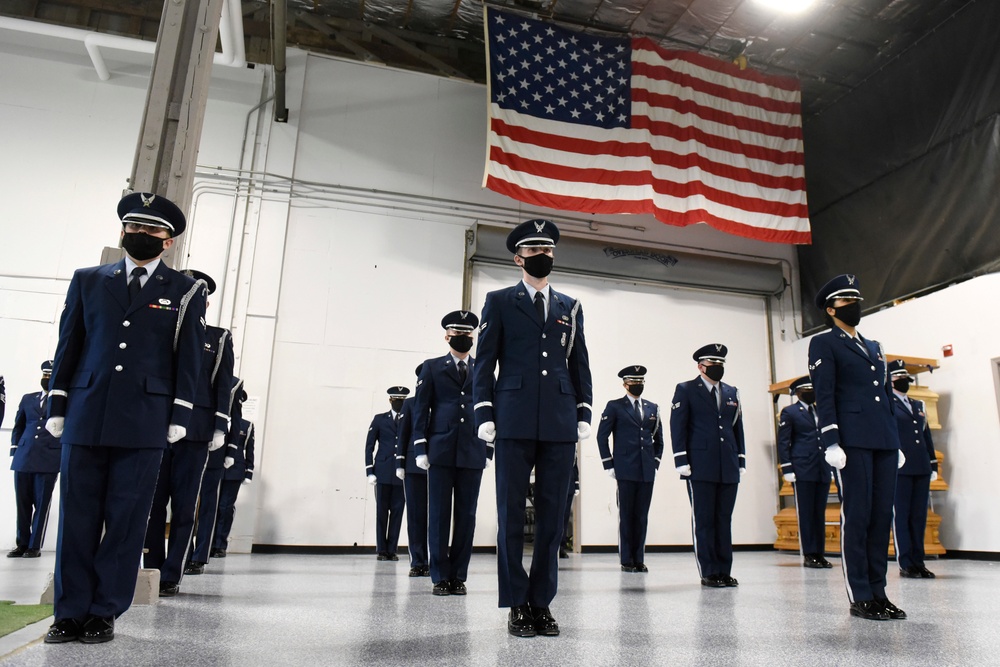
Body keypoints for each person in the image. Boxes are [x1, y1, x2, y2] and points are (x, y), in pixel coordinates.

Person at [43, 192, 207, 644]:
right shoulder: (88, 280)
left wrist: (181, 413)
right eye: (134, 228)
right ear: (122, 231)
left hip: (145, 418)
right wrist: (57, 402)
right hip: (86, 410)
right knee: (76, 515)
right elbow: (69, 345)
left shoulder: (185, 291)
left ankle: (103, 611)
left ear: (169, 242)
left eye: (153, 231)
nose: (141, 235)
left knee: (126, 518)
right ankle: (68, 611)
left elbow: (188, 360)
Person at [473, 218, 593, 638]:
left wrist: (584, 411)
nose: (542, 257)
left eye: (548, 251)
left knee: (553, 517)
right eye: (534, 251)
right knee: (510, 513)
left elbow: (580, 364)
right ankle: (516, 603)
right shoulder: (500, 301)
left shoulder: (570, 307)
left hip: (559, 421)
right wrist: (484, 412)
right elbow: (484, 362)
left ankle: (541, 602)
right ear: (518, 257)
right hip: (513, 416)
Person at [808, 274, 905, 621]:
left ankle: (879, 591)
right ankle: (860, 594)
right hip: (851, 441)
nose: (855, 306)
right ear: (832, 309)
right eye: (847, 302)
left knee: (881, 518)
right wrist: (831, 439)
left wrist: (895, 439)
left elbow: (885, 397)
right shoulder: (824, 344)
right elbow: (825, 394)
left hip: (882, 440)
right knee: (859, 515)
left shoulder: (874, 346)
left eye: (856, 300)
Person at [145, 269, 233, 596]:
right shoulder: (156, 327)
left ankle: (172, 574)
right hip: (154, 424)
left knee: (183, 506)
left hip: (195, 431)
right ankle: (151, 568)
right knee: (153, 504)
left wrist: (220, 425)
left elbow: (222, 385)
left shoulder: (218, 337)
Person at [412, 310, 490, 596]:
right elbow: (421, 410)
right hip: (441, 449)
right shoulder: (432, 368)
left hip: (473, 449)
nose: (463, 339)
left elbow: (491, 408)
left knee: (467, 516)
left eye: (468, 335)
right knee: (439, 515)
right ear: (447, 336)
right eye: (457, 334)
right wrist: (420, 447)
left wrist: (489, 447)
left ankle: (459, 575)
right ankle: (440, 576)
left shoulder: (482, 367)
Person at [670, 344, 745, 588]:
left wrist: (741, 458)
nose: (717, 368)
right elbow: (678, 425)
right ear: (700, 366)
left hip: (728, 464)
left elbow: (737, 427)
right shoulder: (686, 389)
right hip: (699, 465)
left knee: (724, 519)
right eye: (713, 364)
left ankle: (724, 570)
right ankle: (709, 571)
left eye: (721, 364)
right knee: (704, 519)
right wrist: (681, 459)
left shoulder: (732, 392)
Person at [597, 365, 664, 573]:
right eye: (633, 383)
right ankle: (627, 559)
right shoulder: (615, 406)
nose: (637, 386)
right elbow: (602, 437)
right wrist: (609, 463)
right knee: (626, 515)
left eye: (640, 383)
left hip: (646, 470)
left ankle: (639, 558)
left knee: (642, 515)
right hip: (625, 468)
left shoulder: (652, 407)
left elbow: (659, 439)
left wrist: (655, 463)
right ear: (625, 384)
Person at [186, 376, 242, 575]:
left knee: (209, 505)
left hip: (214, 452)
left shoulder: (233, 384)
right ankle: (184, 554)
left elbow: (236, 422)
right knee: (185, 503)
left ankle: (200, 556)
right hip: (189, 444)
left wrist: (231, 451)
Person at [888, 359, 938, 579]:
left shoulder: (917, 405)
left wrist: (932, 462)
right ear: (890, 381)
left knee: (918, 516)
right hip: (900, 467)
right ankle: (906, 562)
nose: (903, 382)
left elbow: (926, 436)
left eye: (905, 379)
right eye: (899, 379)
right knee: (902, 516)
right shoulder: (887, 404)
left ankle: (919, 561)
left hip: (920, 465)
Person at [777, 375, 833, 569]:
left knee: (819, 513)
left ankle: (820, 552)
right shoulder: (790, 412)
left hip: (822, 468)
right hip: (802, 468)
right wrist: (787, 468)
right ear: (798, 393)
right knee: (806, 513)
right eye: (807, 390)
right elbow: (784, 442)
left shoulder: (821, 410)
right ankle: (809, 553)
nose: (811, 393)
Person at [8, 360, 61, 558]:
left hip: (48, 457)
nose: (46, 379)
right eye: (44, 375)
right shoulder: (28, 398)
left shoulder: (63, 400)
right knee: (22, 503)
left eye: (50, 375)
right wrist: (15, 450)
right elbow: (18, 426)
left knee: (42, 504)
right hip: (24, 456)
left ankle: (34, 545)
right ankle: (21, 543)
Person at [365, 386, 408, 561]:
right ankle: (382, 550)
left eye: (402, 401)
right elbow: (369, 446)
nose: (399, 403)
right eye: (397, 400)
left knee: (398, 512)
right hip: (382, 471)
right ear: (390, 400)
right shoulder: (379, 419)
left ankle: (392, 549)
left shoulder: (409, 419)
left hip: (401, 473)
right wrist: (369, 471)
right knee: (382, 512)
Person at [395, 364, 430, 577]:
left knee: (437, 516)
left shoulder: (443, 401)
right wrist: (400, 463)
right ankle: (418, 561)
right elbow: (403, 434)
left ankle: (435, 559)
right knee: (416, 515)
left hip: (439, 464)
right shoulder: (410, 404)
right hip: (413, 467)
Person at [212, 403, 254, 558]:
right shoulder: (216, 420)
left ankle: (219, 544)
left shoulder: (246, 425)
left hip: (234, 471)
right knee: (210, 507)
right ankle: (207, 543)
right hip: (214, 468)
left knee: (225, 507)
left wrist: (249, 472)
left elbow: (250, 449)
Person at [558, 456, 580, 559]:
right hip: (556, 483)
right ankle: (554, 546)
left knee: (564, 518)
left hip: (569, 484)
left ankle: (561, 547)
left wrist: (576, 484)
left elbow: (574, 465)